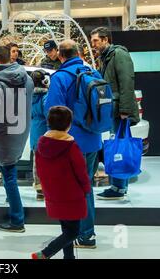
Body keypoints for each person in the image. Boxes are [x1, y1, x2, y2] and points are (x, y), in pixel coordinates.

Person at [44, 39, 102, 249]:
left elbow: (53, 111)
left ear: (60, 56)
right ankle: (86, 232)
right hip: (94, 139)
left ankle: (82, 234)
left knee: (73, 189)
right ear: (78, 53)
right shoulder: (93, 73)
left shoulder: (60, 77)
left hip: (71, 143)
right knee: (86, 186)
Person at [0, 45, 33, 233]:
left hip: (2, 134)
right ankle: (16, 217)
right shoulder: (26, 78)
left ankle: (17, 220)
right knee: (10, 174)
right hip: (20, 132)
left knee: (9, 178)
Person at [31, 106, 91, 259]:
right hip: (72, 195)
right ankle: (45, 253)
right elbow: (81, 171)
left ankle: (69, 257)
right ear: (69, 124)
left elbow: (39, 170)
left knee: (66, 230)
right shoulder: (71, 146)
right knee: (73, 232)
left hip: (53, 194)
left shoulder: (41, 145)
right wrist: (86, 189)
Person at [90, 27, 139, 200]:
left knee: (118, 147)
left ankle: (118, 188)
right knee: (117, 147)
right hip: (113, 109)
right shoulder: (106, 56)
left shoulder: (119, 54)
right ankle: (119, 186)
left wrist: (125, 110)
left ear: (105, 39)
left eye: (96, 40)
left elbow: (127, 82)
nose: (93, 44)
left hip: (120, 111)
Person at [29, 70, 48, 201]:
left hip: (34, 131)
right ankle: (47, 189)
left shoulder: (29, 96)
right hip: (44, 130)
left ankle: (39, 190)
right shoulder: (45, 96)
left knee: (37, 161)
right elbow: (48, 113)